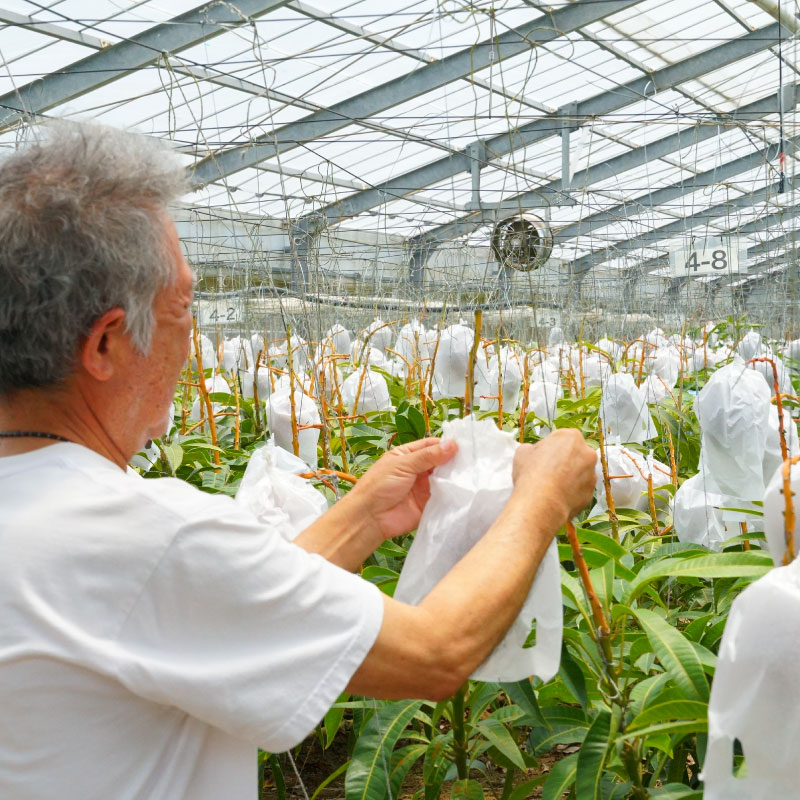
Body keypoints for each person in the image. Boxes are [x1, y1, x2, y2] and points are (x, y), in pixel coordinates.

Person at [0, 123, 597, 800]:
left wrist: (363, 516)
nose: (190, 336)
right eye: (184, 307)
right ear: (106, 344)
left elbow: (218, 603)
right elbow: (435, 652)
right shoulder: (146, 535)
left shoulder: (55, 515)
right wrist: (543, 496)